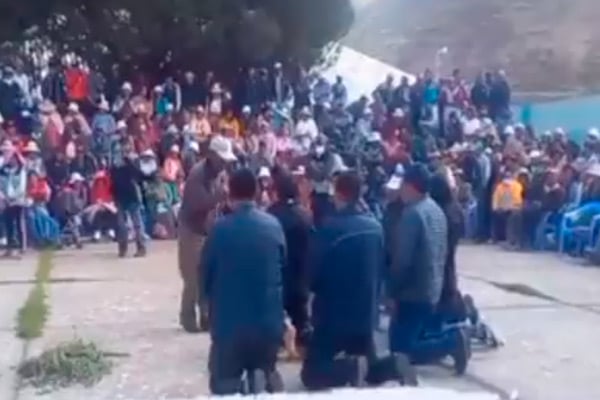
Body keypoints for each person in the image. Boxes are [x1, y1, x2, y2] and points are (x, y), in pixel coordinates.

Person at [301, 171, 402, 390]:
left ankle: (349, 369)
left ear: (339, 195)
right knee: (369, 363)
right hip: (366, 316)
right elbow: (384, 267)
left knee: (311, 374)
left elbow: (313, 276)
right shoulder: (375, 227)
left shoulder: (329, 229)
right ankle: (394, 365)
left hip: (333, 318)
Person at [201, 168, 285, 395]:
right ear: (256, 192)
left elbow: (205, 276)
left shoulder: (219, 229)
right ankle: (265, 375)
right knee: (265, 360)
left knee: (221, 382)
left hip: (230, 327)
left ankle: (241, 386)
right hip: (269, 325)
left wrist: (208, 310)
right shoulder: (274, 226)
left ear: (230, 193)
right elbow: (283, 270)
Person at [387, 163, 469, 375]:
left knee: (401, 351)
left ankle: (452, 342)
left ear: (411, 186)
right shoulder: (435, 210)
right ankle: (450, 341)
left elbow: (403, 260)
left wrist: (392, 292)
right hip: (432, 286)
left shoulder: (412, 214)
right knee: (412, 339)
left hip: (412, 291)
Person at [178, 135, 236, 333]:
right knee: (192, 278)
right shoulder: (197, 175)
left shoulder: (219, 173)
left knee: (208, 276)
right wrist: (219, 197)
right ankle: (187, 318)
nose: (224, 163)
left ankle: (206, 316)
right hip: (191, 229)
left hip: (208, 229)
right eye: (221, 159)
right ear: (211, 155)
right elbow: (198, 204)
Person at [268, 173, 313, 347]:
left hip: (278, 274)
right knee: (301, 317)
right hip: (301, 274)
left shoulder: (271, 215)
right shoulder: (305, 215)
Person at [109, 140, 147, 258]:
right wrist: (113, 196)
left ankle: (141, 247)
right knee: (121, 225)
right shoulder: (113, 167)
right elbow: (112, 182)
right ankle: (123, 248)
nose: (118, 155)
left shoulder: (129, 164)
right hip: (119, 197)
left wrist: (129, 162)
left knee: (137, 224)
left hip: (131, 196)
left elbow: (139, 175)